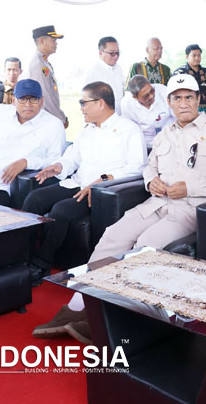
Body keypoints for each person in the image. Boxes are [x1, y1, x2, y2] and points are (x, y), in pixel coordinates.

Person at [32, 75, 206, 341]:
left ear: (199, 100)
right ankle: (77, 307)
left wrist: (190, 188)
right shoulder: (165, 134)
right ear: (170, 102)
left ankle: (112, 316)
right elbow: (150, 166)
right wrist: (150, 180)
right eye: (177, 98)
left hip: (190, 208)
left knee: (145, 244)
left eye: (189, 97)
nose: (184, 103)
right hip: (156, 203)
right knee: (113, 236)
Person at [23, 81, 147, 282]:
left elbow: (138, 167)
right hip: (77, 183)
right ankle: (23, 257)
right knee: (33, 198)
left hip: (101, 192)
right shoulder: (87, 130)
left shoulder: (128, 129)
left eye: (84, 103)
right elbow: (72, 159)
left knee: (61, 212)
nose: (81, 108)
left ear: (100, 103)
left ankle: (40, 265)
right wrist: (58, 167)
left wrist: (105, 179)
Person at [23, 25, 67, 126]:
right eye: (53, 40)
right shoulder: (38, 64)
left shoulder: (43, 62)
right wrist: (60, 118)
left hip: (46, 118)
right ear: (42, 41)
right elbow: (46, 97)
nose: (56, 44)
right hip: (43, 120)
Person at [121, 75, 173, 148]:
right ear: (135, 97)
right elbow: (130, 129)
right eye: (146, 96)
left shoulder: (163, 91)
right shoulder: (126, 104)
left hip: (170, 140)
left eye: (152, 91)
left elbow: (177, 115)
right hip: (146, 145)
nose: (151, 96)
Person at [173, 44, 206, 119]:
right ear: (187, 56)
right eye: (194, 55)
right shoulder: (179, 73)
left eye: (199, 55)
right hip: (187, 109)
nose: (197, 58)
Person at [85, 36, 126, 115]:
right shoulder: (93, 72)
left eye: (117, 53)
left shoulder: (119, 69)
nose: (116, 56)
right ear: (101, 53)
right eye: (112, 53)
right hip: (102, 119)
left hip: (119, 117)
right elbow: (88, 101)